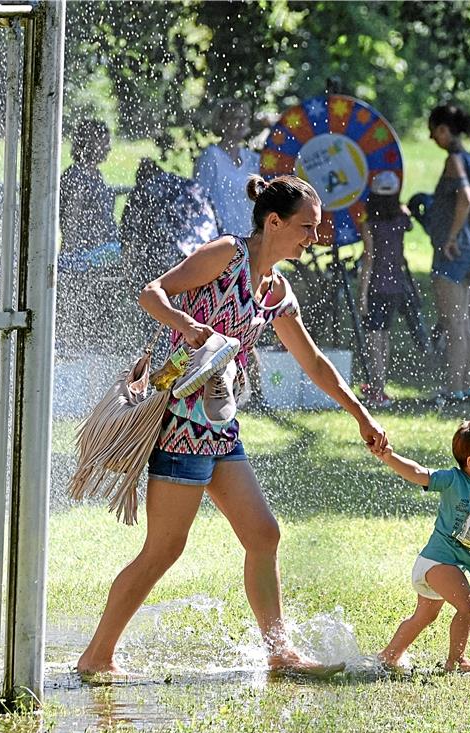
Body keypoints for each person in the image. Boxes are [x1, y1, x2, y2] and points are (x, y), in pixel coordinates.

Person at [76, 174, 389, 678]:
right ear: (273, 222)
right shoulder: (226, 255)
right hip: (180, 422)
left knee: (263, 536)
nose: (313, 237)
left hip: (219, 426)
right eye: (306, 227)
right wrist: (186, 325)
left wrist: (361, 414)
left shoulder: (277, 290)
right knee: (163, 550)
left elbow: (312, 363)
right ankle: (97, 657)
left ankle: (280, 653)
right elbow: (152, 293)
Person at [372, 418, 470, 673]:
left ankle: (388, 656)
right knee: (468, 607)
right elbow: (418, 473)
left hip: (443, 565)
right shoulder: (452, 480)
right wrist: (390, 457)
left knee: (424, 617)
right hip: (438, 561)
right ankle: (456, 662)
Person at [425, 104, 470, 408]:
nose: (431, 136)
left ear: (445, 130)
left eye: (433, 130)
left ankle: (452, 389)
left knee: (453, 323)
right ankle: (467, 386)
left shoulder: (454, 160)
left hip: (453, 251)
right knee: (465, 322)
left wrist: (450, 237)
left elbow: (466, 198)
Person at [57, 118, 124, 355]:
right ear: (87, 142)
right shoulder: (75, 176)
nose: (107, 148)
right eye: (102, 142)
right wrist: (72, 256)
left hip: (99, 255)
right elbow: (70, 220)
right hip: (84, 258)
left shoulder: (95, 175)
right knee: (82, 315)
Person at [357, 170, 415, 409]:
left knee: (373, 337)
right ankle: (380, 386)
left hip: (376, 286)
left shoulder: (369, 225)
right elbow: (408, 215)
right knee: (385, 335)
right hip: (396, 285)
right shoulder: (401, 221)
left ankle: (377, 389)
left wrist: (362, 294)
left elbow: (369, 260)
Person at [194, 99, 261, 237]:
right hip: (220, 238)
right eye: (236, 118)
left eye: (244, 117)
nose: (241, 122)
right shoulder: (210, 157)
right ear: (223, 123)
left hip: (250, 238)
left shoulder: (253, 159)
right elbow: (198, 199)